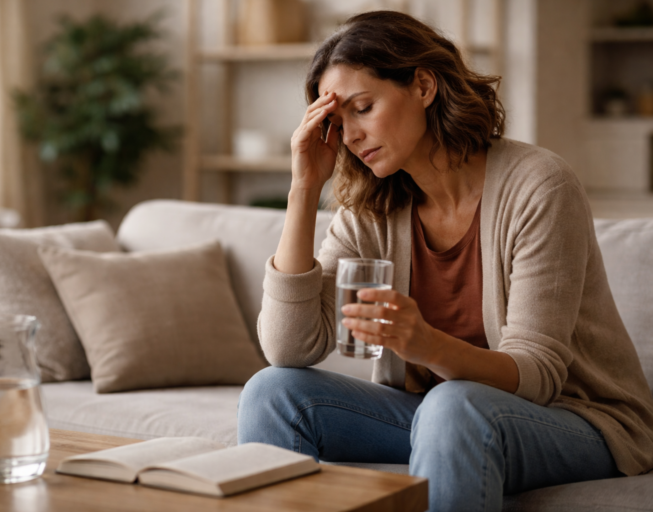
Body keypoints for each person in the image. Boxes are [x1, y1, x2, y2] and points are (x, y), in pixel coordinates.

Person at [236, 10, 653, 512]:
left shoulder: (539, 185)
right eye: (338, 122)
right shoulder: (371, 206)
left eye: (363, 108)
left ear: (424, 86)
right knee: (272, 392)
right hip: (441, 414)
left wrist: (426, 344)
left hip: (578, 418)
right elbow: (289, 347)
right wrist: (303, 188)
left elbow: (538, 374)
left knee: (452, 405)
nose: (349, 137)